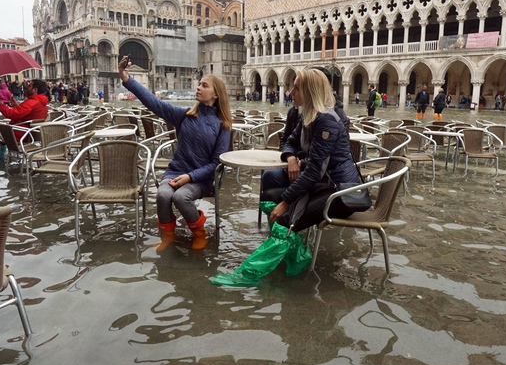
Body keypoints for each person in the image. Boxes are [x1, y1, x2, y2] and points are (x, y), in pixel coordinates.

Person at [213, 68, 361, 287]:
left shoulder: (326, 121)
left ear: (309, 91)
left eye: (296, 87)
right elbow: (290, 141)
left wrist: (286, 202)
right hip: (324, 186)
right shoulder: (308, 116)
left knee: (285, 220)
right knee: (270, 197)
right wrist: (291, 158)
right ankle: (297, 257)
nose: (291, 91)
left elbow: (313, 172)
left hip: (341, 192)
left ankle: (249, 276)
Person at [119, 55, 231, 251]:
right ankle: (168, 236)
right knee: (163, 195)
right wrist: (127, 79)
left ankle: (199, 233)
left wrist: (190, 177)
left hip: (200, 179)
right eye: (199, 84)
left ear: (216, 95)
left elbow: (217, 163)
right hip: (175, 171)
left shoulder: (223, 126)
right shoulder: (186, 115)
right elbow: (154, 103)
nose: (198, 87)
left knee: (180, 197)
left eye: (204, 85)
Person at [0, 80, 50, 161]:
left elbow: (11, 114)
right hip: (28, 135)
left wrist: (1, 106)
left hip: (16, 135)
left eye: (29, 86)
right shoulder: (41, 103)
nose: (27, 88)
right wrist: (16, 105)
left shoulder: (31, 102)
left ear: (35, 90)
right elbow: (26, 113)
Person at [280, 67, 349, 146]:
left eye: (297, 88)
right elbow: (287, 141)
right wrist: (288, 155)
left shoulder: (331, 118)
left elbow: (321, 154)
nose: (291, 92)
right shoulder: (296, 112)